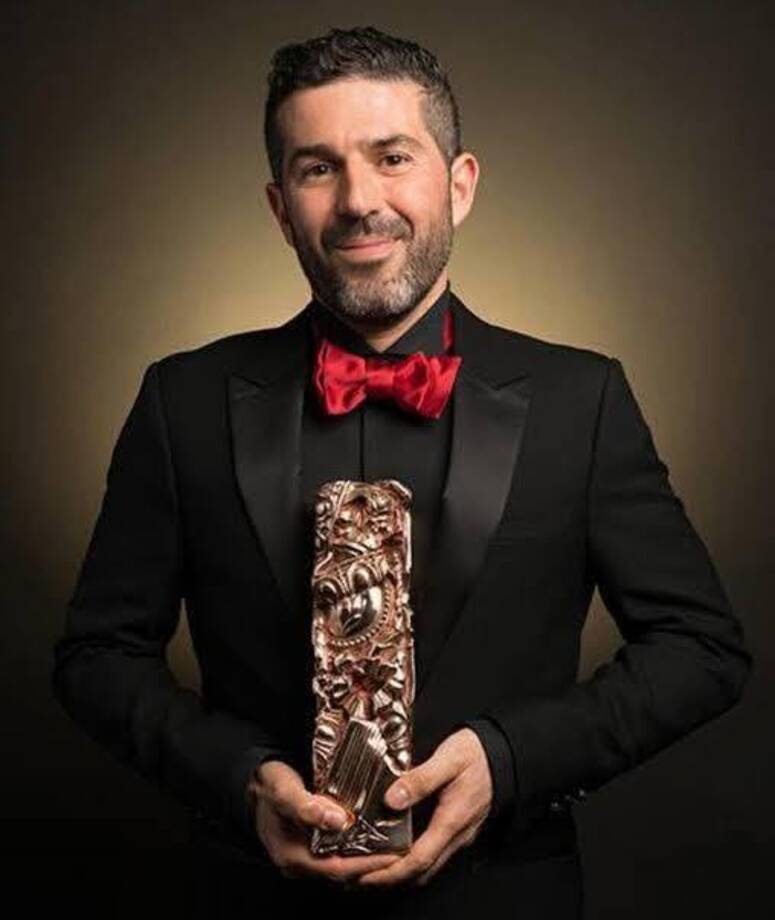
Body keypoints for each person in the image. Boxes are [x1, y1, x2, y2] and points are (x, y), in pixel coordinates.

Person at [51, 25, 752, 920]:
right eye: (318, 168)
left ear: (458, 185)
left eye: (391, 158)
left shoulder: (582, 399)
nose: (357, 200)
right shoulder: (180, 400)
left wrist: (509, 761)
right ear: (279, 208)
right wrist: (238, 780)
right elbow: (98, 658)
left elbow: (700, 649)